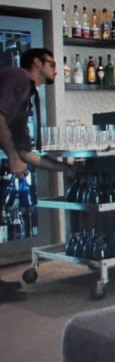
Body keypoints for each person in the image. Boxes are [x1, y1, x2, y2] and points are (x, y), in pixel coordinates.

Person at [0, 47, 68, 302]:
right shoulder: (18, 76)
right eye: (52, 64)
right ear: (37, 63)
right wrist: (12, 156)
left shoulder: (28, 96)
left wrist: (66, 169)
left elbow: (27, 152)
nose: (56, 70)